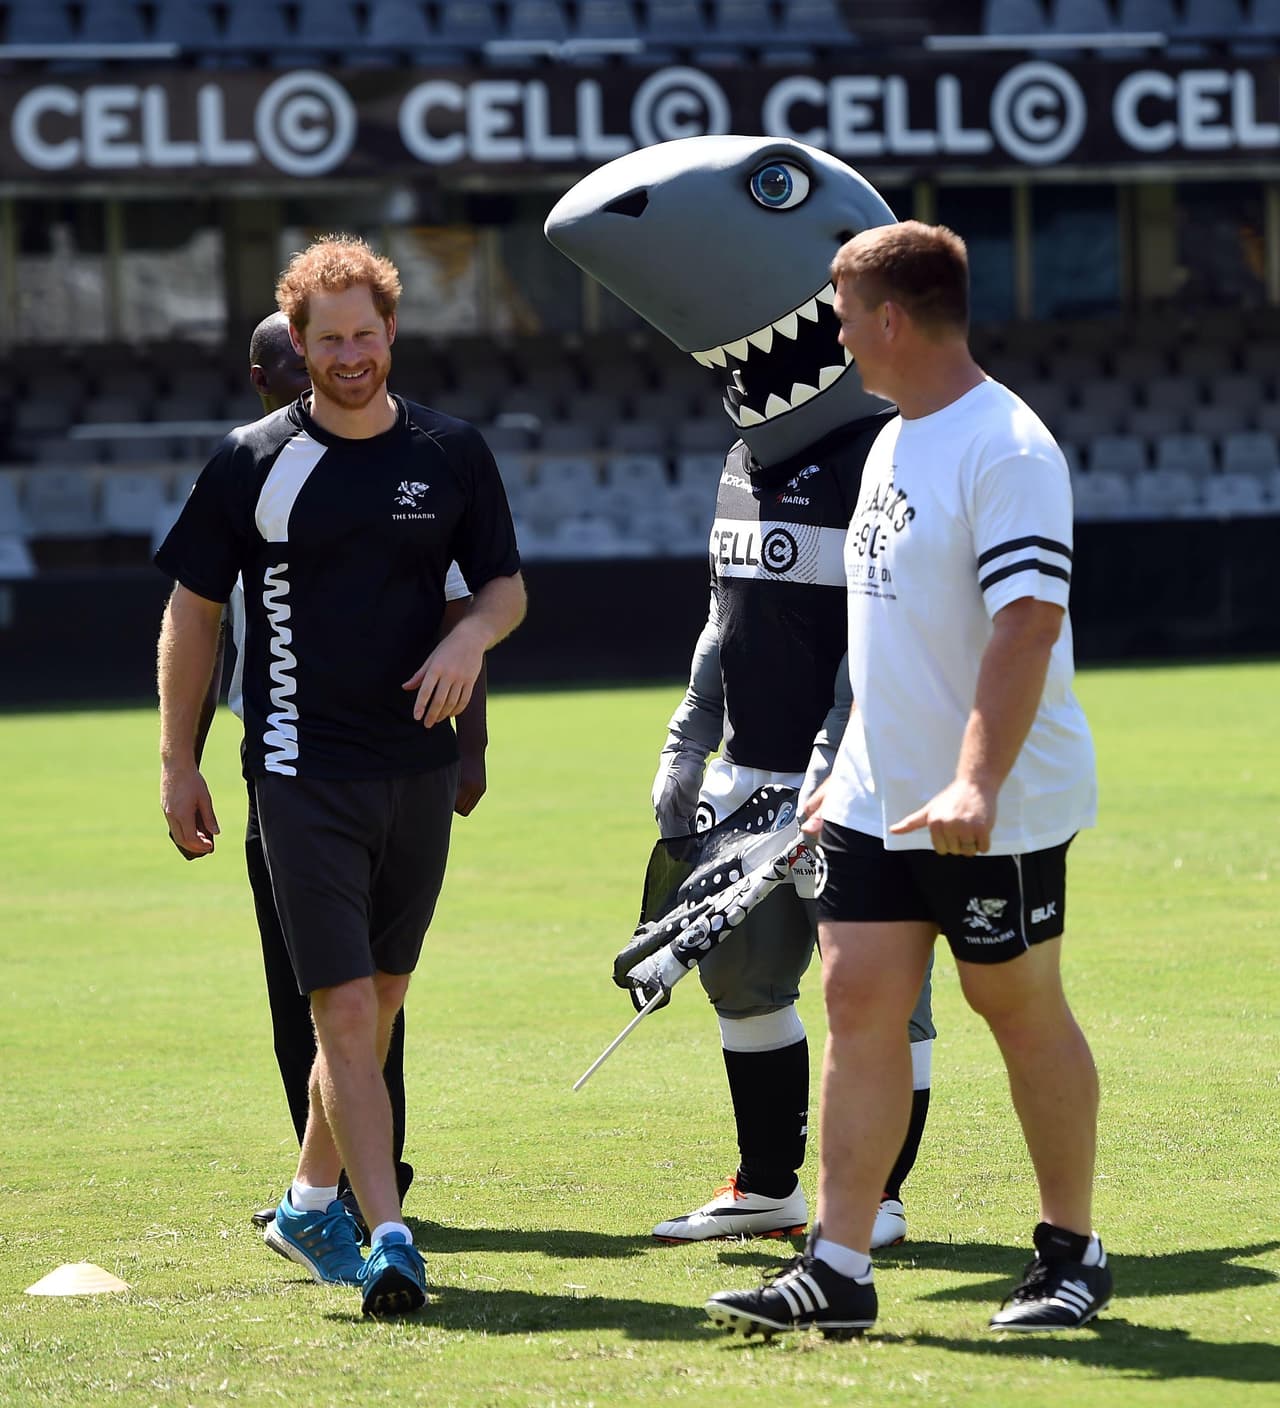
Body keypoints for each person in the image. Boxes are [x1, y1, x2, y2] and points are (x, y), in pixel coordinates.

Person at [707, 221, 1110, 1338]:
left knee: (1011, 1004)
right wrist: (838, 769)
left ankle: (1071, 1251)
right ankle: (836, 1265)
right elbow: (881, 632)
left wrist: (975, 784)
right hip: (882, 799)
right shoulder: (890, 440)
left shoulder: (1008, 447)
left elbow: (1025, 626)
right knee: (854, 1002)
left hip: (998, 801)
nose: (834, 339)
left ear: (889, 318)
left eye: (841, 318)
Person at [544, 136, 935, 1250]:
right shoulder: (740, 460)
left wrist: (833, 761)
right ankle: (767, 1182)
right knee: (740, 979)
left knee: (876, 986)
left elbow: (886, 631)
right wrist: (688, 737)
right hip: (746, 774)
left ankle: (880, 1195)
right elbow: (725, 618)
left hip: (857, 780)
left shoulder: (890, 451)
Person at [156, 236, 525, 1317]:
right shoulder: (248, 462)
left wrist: (470, 644)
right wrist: (175, 762)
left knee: (385, 1000)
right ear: (298, 344)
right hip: (295, 769)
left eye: (367, 334)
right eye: (331, 339)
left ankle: (310, 1197)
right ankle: (390, 1238)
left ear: (391, 332)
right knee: (347, 1009)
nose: (352, 355)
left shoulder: (452, 452)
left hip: (411, 768)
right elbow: (192, 612)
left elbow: (502, 589)